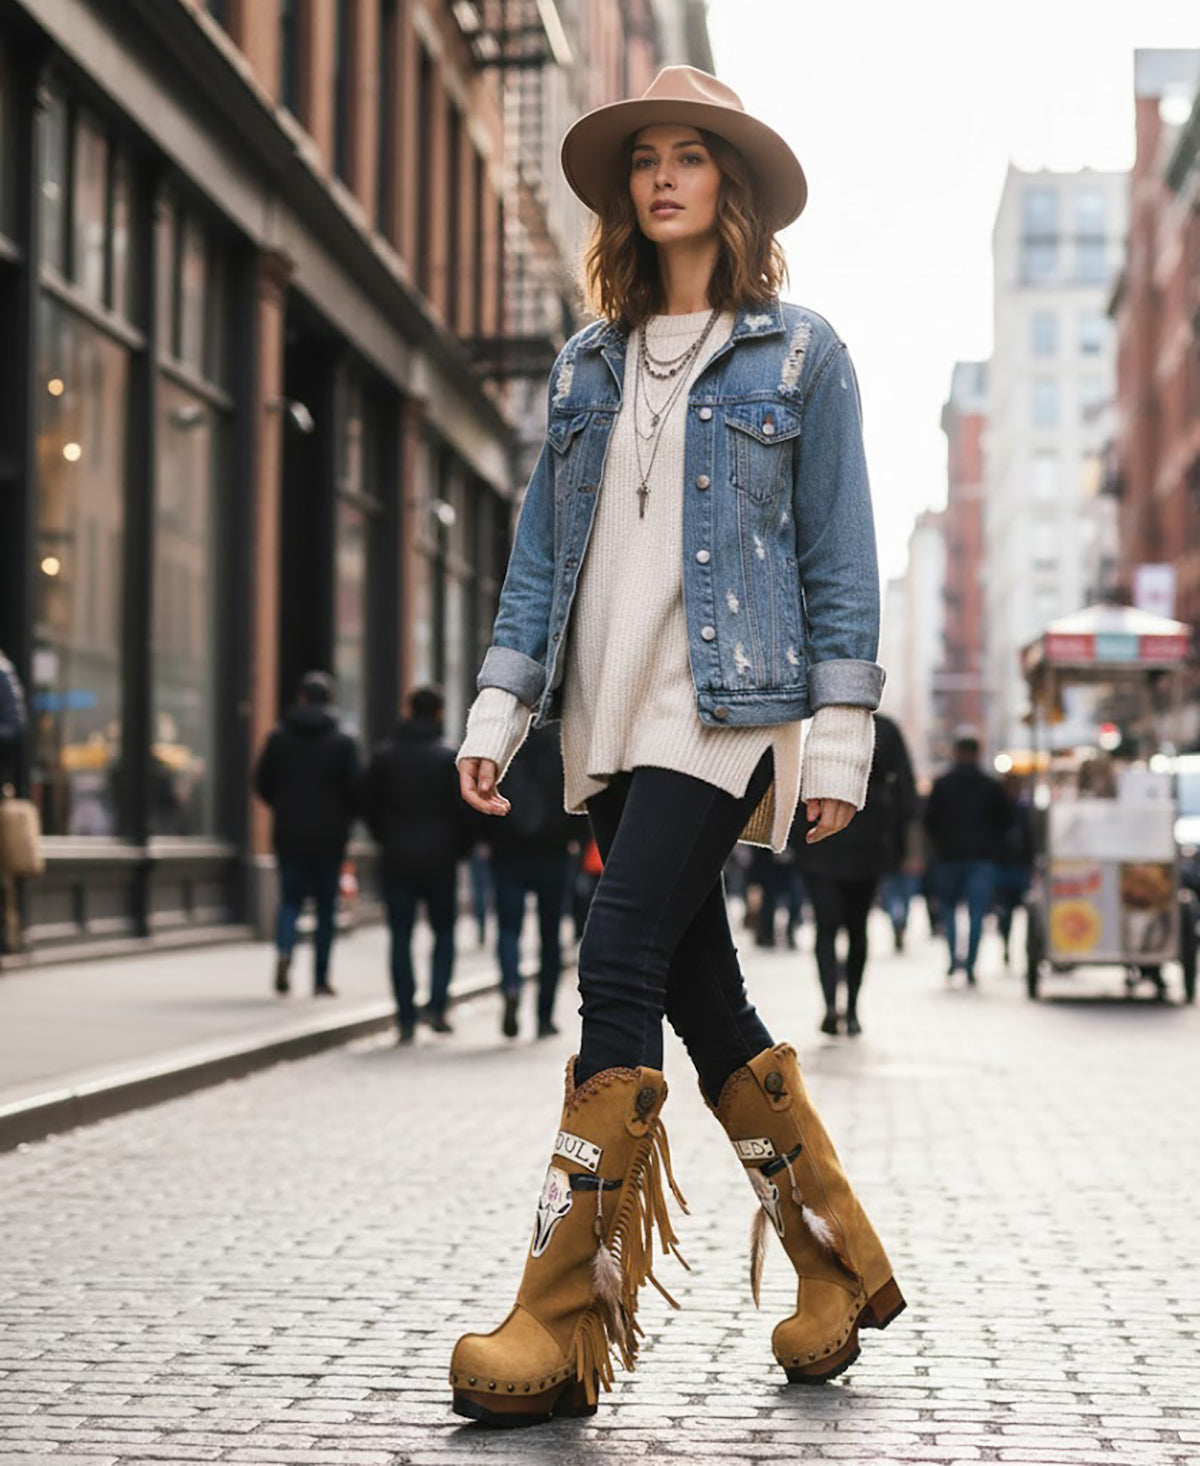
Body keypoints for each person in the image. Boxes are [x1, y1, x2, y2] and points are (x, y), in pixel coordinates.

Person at [448, 67, 904, 1427]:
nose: (663, 175)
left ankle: (557, 1313)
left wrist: (838, 745)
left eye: (691, 154)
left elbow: (840, 558)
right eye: (643, 155)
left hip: (727, 709)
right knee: (704, 999)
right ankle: (838, 1268)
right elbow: (540, 557)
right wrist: (500, 712)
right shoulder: (586, 362)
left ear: (731, 185)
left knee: (617, 950)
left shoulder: (802, 352)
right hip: (605, 715)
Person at [794, 712, 916, 1035]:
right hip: (868, 841)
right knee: (857, 928)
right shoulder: (885, 729)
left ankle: (831, 1005)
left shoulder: (815, 722)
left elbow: (793, 779)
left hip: (818, 840)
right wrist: (895, 845)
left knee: (826, 927)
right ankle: (852, 1009)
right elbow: (906, 793)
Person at [362, 686, 466, 1042]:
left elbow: (369, 806)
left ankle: (406, 1016)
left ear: (408, 711)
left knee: (401, 935)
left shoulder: (385, 756)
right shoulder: (448, 757)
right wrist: (459, 849)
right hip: (441, 859)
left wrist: (385, 838)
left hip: (398, 857)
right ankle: (437, 1007)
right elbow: (462, 813)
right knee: (444, 933)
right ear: (438, 714)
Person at [253, 671, 359, 997]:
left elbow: (262, 783)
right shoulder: (343, 741)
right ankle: (321, 978)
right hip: (330, 836)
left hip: (290, 832)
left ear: (300, 698)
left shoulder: (279, 738)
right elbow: (356, 790)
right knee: (326, 909)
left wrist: (284, 805)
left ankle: (285, 952)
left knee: (291, 901)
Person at [487, 723, 575, 1039]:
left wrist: (485, 837)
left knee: (508, 930)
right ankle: (544, 1017)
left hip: (508, 853)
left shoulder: (503, 741)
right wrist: (576, 837)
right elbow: (580, 793)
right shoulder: (561, 745)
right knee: (549, 936)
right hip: (553, 853)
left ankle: (511, 984)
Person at [924, 727, 1011, 986]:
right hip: (981, 858)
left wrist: (940, 843)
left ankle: (954, 960)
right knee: (976, 914)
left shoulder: (942, 784)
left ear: (956, 752)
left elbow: (929, 820)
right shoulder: (991, 786)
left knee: (949, 910)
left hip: (948, 856)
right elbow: (1005, 821)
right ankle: (971, 965)